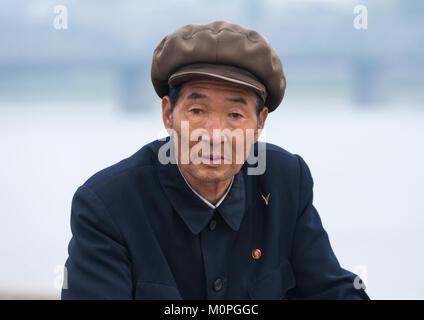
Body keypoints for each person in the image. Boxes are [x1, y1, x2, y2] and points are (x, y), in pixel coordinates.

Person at [61, 21, 370, 300]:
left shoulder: (285, 181)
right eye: (197, 111)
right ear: (168, 113)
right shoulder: (108, 205)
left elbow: (335, 291)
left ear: (259, 123)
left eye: (234, 115)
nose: (214, 134)